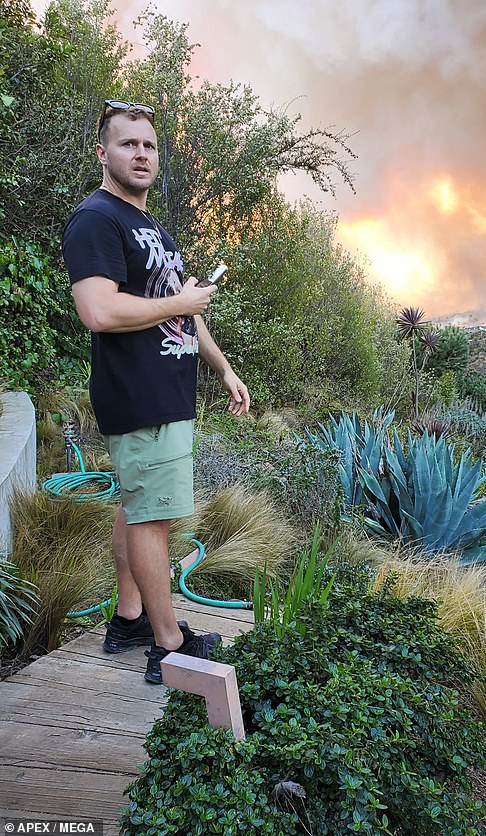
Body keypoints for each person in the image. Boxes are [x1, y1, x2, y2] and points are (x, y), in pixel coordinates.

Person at [62, 99, 250, 684]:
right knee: (152, 521)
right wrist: (184, 302)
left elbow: (181, 315)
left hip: (166, 393)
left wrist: (221, 367)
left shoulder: (149, 226)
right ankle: (170, 645)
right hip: (140, 396)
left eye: (148, 146)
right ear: (103, 153)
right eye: (127, 144)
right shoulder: (97, 219)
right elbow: (98, 310)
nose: (140, 155)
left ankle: (130, 617)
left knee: (136, 506)